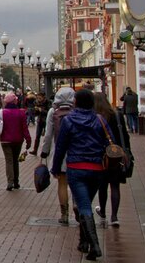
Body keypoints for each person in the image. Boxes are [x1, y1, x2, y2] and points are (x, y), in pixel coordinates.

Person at [51, 88, 109, 260]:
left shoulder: (68, 121)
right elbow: (109, 142)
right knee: (86, 204)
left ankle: (95, 246)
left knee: (83, 206)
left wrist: (55, 168)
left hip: (76, 169)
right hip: (97, 169)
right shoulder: (100, 120)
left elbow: (61, 147)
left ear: (76, 102)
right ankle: (84, 242)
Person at [94, 92, 131, 227]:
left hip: (101, 156)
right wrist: (126, 151)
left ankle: (103, 211)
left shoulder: (95, 117)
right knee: (115, 185)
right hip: (116, 154)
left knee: (102, 186)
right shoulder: (117, 115)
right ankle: (114, 216)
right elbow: (125, 135)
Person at [39, 87, 76, 226]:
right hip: (76, 153)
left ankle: (64, 214)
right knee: (76, 183)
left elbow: (48, 135)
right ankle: (77, 207)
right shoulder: (76, 111)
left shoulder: (53, 112)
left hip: (59, 153)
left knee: (62, 183)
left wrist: (44, 151)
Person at [0, 93, 31, 191]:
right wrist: (28, 140)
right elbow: (24, 128)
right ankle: (16, 182)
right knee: (15, 160)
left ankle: (10, 182)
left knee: (9, 161)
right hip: (18, 140)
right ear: (15, 101)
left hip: (5, 140)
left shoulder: (2, 112)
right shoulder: (21, 113)